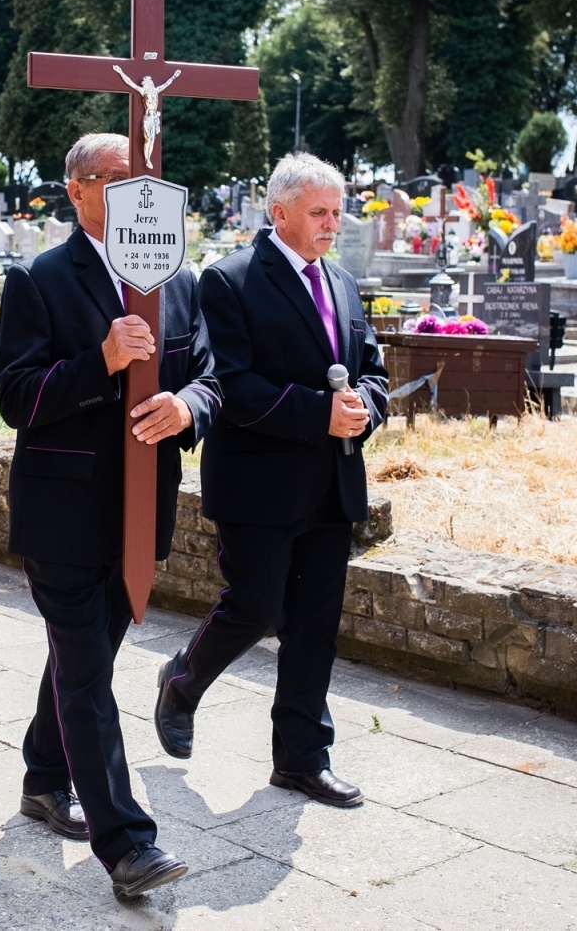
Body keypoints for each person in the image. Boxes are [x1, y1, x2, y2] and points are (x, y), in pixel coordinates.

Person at [0, 132, 219, 901]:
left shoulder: (178, 279)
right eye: (119, 177)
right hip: (63, 513)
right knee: (88, 671)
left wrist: (187, 407)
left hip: (141, 513)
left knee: (81, 660)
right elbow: (17, 397)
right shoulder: (39, 279)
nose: (136, 190)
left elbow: (212, 377)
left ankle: (42, 775)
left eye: (144, 175)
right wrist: (101, 361)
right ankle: (128, 845)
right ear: (79, 191)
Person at [153, 152, 388, 808]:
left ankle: (302, 759)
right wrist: (319, 413)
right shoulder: (230, 280)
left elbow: (372, 369)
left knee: (315, 623)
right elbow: (229, 384)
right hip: (259, 482)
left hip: (332, 481)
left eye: (337, 212)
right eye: (319, 212)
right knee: (255, 608)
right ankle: (183, 681)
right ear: (279, 212)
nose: (331, 224)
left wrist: (366, 407)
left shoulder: (343, 282)